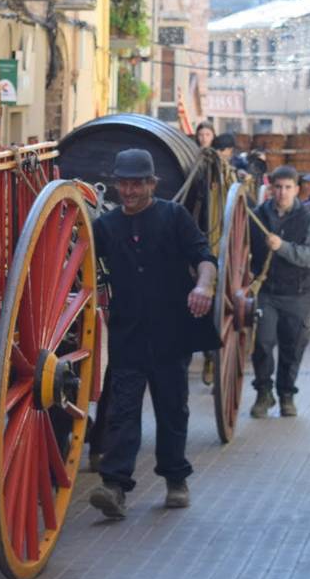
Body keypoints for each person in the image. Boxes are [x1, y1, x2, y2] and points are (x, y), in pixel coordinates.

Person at [87, 149, 219, 519]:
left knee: (172, 408)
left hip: (170, 333)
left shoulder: (173, 217)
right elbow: (84, 269)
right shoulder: (106, 227)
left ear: (151, 184)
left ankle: (176, 480)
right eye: (123, 183)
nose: (128, 190)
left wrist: (204, 288)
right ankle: (114, 486)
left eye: (136, 183)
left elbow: (204, 258)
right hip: (128, 335)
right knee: (122, 411)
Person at [249, 165, 310, 418]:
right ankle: (263, 393)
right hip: (267, 291)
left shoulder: (309, 220)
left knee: (293, 347)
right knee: (262, 344)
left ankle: (286, 395)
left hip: (299, 293)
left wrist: (282, 247)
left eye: (288, 188)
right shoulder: (257, 215)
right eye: (278, 187)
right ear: (271, 189)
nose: (282, 192)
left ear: (297, 190)